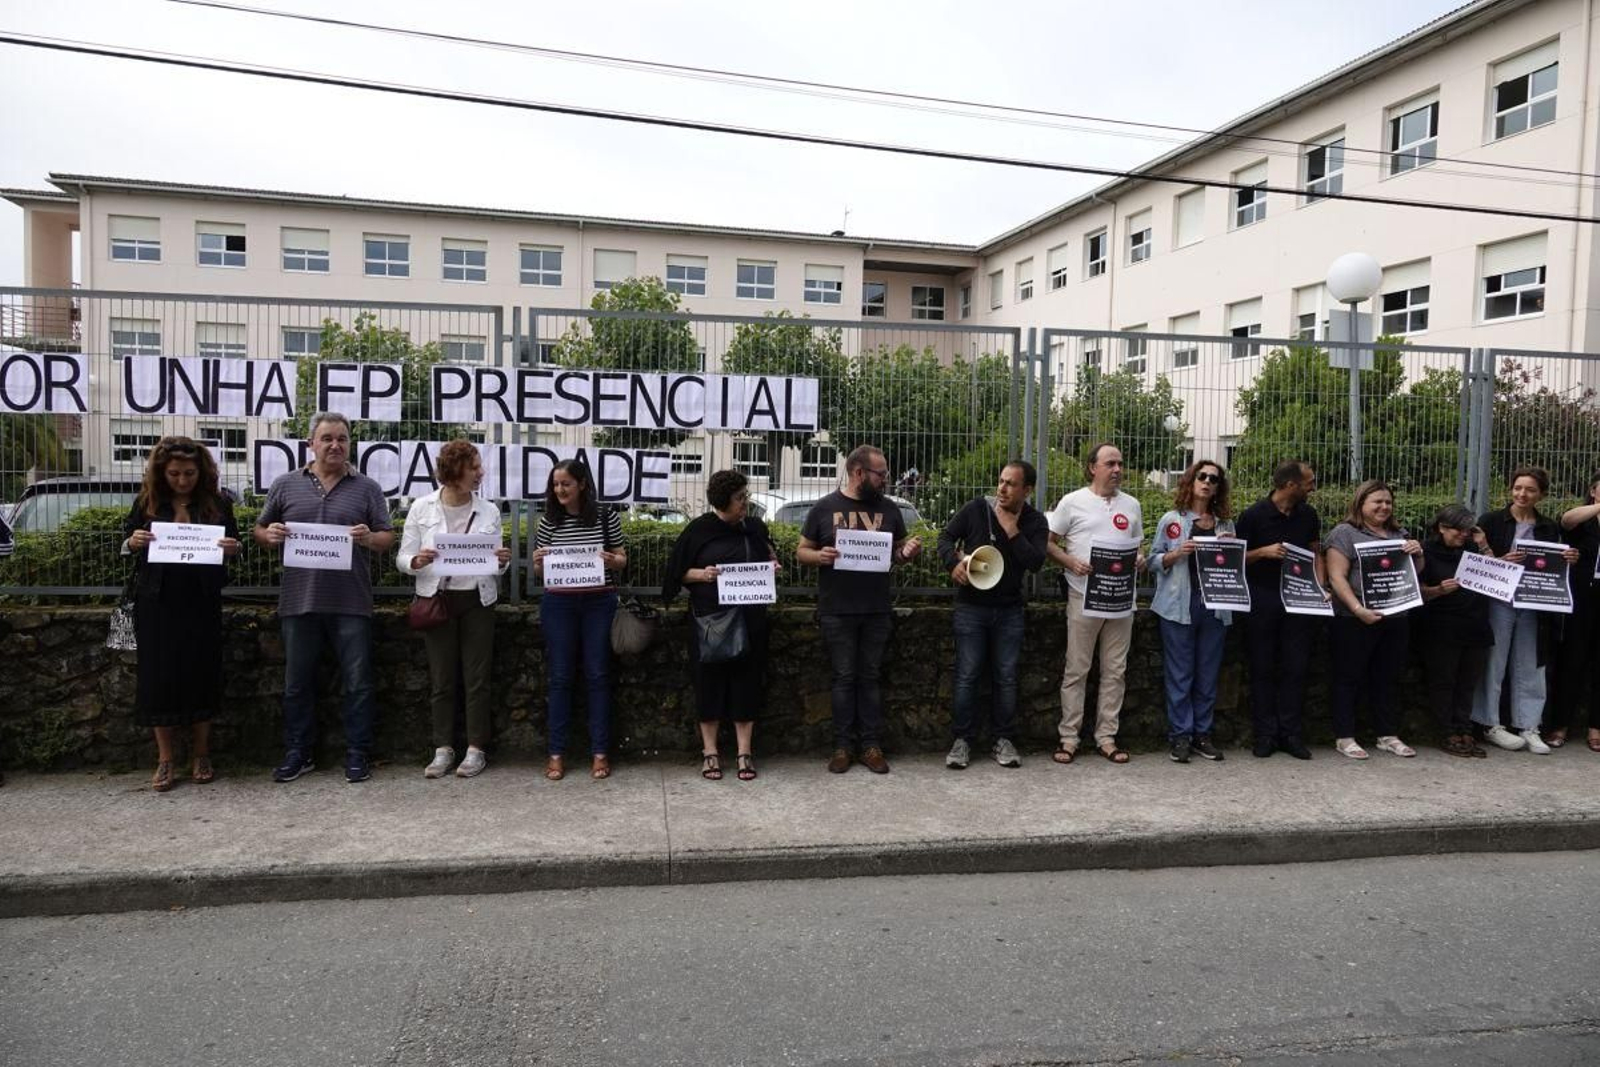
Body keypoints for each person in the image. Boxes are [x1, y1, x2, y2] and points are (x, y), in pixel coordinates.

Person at [255, 413, 395, 784]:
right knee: (297, 682)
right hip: (299, 601)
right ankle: (299, 752)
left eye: (343, 439)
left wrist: (368, 538)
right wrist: (269, 536)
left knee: (358, 683)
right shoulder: (285, 485)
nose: (336, 445)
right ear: (311, 444)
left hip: (351, 601)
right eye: (327, 438)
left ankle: (358, 752)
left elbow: (386, 538)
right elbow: (260, 528)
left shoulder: (367, 487)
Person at [121, 436, 241, 791]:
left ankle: (201, 753)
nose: (183, 480)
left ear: (201, 471)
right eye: (174, 473)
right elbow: (126, 541)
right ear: (162, 472)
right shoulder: (147, 502)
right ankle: (165, 759)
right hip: (157, 604)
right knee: (159, 679)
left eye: (189, 473)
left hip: (201, 602)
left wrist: (232, 548)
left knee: (202, 673)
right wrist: (133, 543)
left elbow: (234, 545)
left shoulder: (217, 504)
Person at [798, 444, 922, 774]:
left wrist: (907, 552)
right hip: (837, 609)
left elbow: (896, 553)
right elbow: (801, 551)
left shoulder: (890, 510)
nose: (886, 480)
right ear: (858, 473)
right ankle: (842, 747)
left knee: (869, 678)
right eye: (880, 474)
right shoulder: (825, 508)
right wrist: (819, 556)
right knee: (843, 678)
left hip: (876, 609)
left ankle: (870, 745)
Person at [396, 439, 511, 780]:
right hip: (438, 599)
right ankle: (443, 748)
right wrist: (415, 561)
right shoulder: (422, 507)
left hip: (478, 600)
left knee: (477, 679)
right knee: (442, 679)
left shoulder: (488, 509)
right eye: (474, 467)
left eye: (479, 466)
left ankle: (476, 749)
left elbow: (496, 562)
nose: (481, 472)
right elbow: (403, 557)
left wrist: (502, 562)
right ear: (455, 470)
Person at [662, 469, 780, 782]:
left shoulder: (755, 527)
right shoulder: (699, 530)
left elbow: (770, 558)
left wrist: (773, 566)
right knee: (709, 682)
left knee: (747, 682)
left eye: (746, 496)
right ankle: (710, 752)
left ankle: (744, 752)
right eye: (740, 497)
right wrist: (703, 574)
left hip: (751, 617)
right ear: (723, 500)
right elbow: (676, 573)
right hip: (711, 620)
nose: (746, 502)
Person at [935, 460, 1049, 770]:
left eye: (1011, 484)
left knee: (1007, 677)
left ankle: (1004, 739)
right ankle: (962, 741)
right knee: (967, 675)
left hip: (1010, 609)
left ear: (1027, 490)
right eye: (1001, 481)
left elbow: (1036, 562)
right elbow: (944, 538)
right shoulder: (976, 509)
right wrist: (952, 564)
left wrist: (1013, 532)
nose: (1002, 488)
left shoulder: (1035, 522)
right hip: (971, 607)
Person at [1046, 442, 1145, 765]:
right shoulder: (1072, 502)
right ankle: (1069, 738)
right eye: (1110, 464)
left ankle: (1106, 737)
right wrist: (1070, 562)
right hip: (1083, 596)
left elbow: (1137, 548)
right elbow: (1049, 543)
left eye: (1120, 463)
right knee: (1077, 669)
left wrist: (1140, 559)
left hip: (1120, 600)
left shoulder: (1132, 505)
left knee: (1115, 671)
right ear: (1093, 467)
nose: (1118, 469)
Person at [532, 459, 627, 782]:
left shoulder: (605, 516)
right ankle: (556, 754)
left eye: (566, 484)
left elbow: (621, 559)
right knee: (559, 677)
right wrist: (537, 563)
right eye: (556, 485)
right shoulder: (548, 522)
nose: (559, 490)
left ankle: (600, 752)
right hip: (559, 603)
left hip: (598, 602)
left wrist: (614, 560)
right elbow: (540, 572)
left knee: (598, 674)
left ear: (582, 485)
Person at [1473, 467, 1577, 754]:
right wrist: (1503, 560)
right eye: (1518, 487)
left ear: (1541, 494)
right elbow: (1476, 566)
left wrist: (1568, 557)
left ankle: (1530, 725)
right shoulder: (1491, 521)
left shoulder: (1549, 527)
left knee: (1531, 663)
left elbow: (1555, 564)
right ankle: (1489, 723)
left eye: (1530, 489)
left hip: (1533, 603)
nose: (1522, 494)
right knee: (1494, 661)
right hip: (1499, 601)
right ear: (1511, 489)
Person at [1323, 479, 1422, 760]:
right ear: (1361, 503)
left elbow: (1414, 575)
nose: (1384, 507)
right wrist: (1357, 609)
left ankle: (1387, 734)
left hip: (1395, 616)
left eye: (1388, 502)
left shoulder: (1398, 533)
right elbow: (1336, 576)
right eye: (1377, 501)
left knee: (1389, 677)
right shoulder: (1345, 533)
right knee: (1348, 677)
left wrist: (1418, 553)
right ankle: (1345, 736)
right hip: (1353, 618)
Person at [1234, 460, 1324, 759]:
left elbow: (1315, 553)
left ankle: (1291, 735)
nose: (1313, 487)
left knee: (1295, 669)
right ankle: (1265, 735)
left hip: (1299, 601)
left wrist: (1321, 587)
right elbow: (1235, 559)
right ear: (1290, 485)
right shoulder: (1253, 516)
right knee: (1262, 668)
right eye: (1309, 482)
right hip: (1262, 600)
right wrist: (1263, 552)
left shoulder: (1308, 515)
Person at [1149, 459, 1235, 764]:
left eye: (1214, 478)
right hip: (1178, 606)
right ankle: (1180, 736)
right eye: (1202, 476)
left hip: (1215, 607)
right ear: (1191, 480)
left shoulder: (1225, 525)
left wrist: (1230, 548)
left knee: (1208, 674)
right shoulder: (1172, 519)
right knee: (1180, 674)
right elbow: (1153, 560)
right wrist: (1176, 553)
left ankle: (1202, 735)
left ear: (1218, 488)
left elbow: (1232, 569)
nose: (1208, 482)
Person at [1417, 505, 1493, 758]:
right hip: (1442, 626)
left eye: (1467, 530)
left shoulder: (1472, 549)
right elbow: (1416, 591)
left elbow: (1496, 577)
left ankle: (1465, 729)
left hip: (1475, 624)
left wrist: (1482, 544)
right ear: (1441, 527)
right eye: (1458, 530)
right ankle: (1446, 731)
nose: (1463, 534)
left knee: (1468, 683)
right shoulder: (1426, 551)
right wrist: (1438, 590)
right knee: (1444, 681)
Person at [1549, 471, 1600, 753]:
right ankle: (1560, 725)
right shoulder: (1584, 520)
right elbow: (1566, 520)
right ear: (1593, 491)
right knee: (1573, 660)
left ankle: (1596, 728)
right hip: (1582, 598)